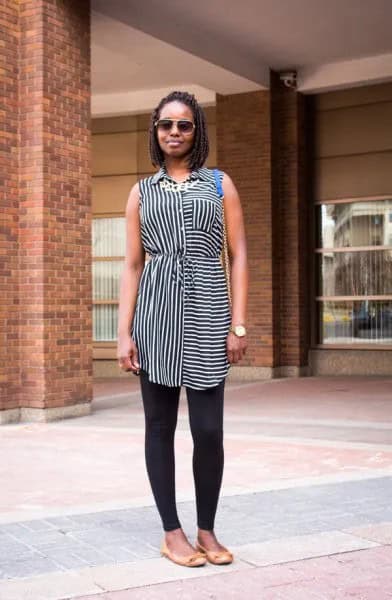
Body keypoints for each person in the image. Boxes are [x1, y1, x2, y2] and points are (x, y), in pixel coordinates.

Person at [117, 90, 248, 568]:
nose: (174, 132)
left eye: (184, 125)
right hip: (155, 317)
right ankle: (171, 531)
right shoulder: (140, 192)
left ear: (198, 131)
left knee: (209, 431)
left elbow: (238, 254)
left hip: (210, 314)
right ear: (156, 131)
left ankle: (206, 529)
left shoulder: (219, 185)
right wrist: (123, 331)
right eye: (166, 124)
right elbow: (132, 265)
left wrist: (238, 322)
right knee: (159, 427)